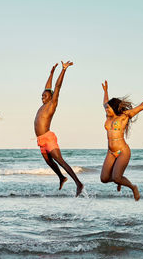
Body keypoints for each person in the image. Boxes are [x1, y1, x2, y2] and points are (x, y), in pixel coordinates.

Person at [101, 80, 143, 201]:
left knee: (117, 177)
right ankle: (118, 179)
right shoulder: (108, 116)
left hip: (122, 151)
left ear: (114, 108)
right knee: (104, 179)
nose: (106, 109)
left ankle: (132, 187)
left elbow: (141, 107)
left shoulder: (124, 116)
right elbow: (105, 102)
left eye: (108, 108)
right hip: (110, 152)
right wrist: (105, 91)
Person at [34, 61, 84, 197]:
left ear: (51, 96)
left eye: (45, 95)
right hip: (40, 140)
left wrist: (63, 70)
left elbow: (57, 86)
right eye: (42, 96)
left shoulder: (52, 104)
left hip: (48, 138)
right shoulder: (43, 104)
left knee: (60, 161)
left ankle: (78, 183)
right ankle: (62, 178)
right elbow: (48, 87)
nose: (42, 97)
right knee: (49, 162)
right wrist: (51, 73)